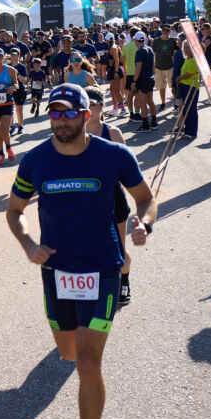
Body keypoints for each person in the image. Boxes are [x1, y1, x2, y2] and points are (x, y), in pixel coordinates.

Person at [6, 84, 157, 419]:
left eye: (68, 114)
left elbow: (145, 198)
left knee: (89, 364)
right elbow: (15, 211)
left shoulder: (114, 156)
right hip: (56, 270)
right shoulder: (36, 161)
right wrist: (27, 243)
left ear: (86, 114)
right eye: (54, 114)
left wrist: (145, 222)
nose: (61, 121)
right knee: (68, 353)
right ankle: (77, 361)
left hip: (102, 269)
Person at [81, 85, 136, 305]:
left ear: (102, 108)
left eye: (94, 105)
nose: (90, 109)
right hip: (85, 202)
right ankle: (97, 286)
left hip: (112, 201)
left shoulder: (112, 133)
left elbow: (127, 168)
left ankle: (124, 279)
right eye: (86, 105)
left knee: (118, 250)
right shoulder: (74, 132)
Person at [132, 32, 158, 132]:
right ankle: (154, 122)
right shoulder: (149, 49)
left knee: (142, 102)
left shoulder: (139, 52)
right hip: (150, 78)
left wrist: (134, 81)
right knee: (150, 101)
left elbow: (138, 67)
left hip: (142, 79)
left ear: (136, 40)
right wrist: (152, 74)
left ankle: (145, 125)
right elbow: (154, 64)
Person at [175, 41, 200, 139]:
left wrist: (179, 78)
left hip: (191, 87)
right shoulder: (187, 59)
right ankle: (187, 130)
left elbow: (189, 74)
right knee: (186, 109)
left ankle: (191, 132)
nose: (185, 49)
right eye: (184, 47)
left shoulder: (193, 60)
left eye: (188, 47)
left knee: (191, 109)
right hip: (185, 86)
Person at [151, 27, 177, 110]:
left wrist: (176, 65)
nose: (165, 32)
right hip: (159, 67)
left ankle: (176, 103)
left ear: (170, 31)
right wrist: (153, 67)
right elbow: (154, 54)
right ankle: (163, 103)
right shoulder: (156, 41)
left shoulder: (173, 41)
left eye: (167, 30)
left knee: (173, 87)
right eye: (163, 30)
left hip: (170, 67)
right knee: (161, 87)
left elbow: (176, 53)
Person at [9, 50, 29, 135]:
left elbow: (24, 80)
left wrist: (17, 74)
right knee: (10, 110)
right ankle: (11, 127)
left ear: (18, 56)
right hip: (10, 90)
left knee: (19, 110)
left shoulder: (21, 67)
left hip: (20, 90)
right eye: (12, 55)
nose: (13, 56)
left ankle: (20, 126)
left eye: (15, 55)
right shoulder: (7, 66)